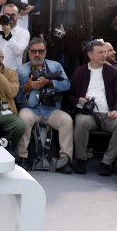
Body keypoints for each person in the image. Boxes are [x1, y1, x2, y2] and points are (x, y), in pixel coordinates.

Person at [67, 39, 117, 175]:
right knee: (81, 121)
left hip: (108, 114)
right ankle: (81, 159)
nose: (104, 55)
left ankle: (107, 162)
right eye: (100, 52)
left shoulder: (113, 72)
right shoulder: (80, 71)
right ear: (90, 54)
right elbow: (70, 95)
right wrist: (79, 100)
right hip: (88, 113)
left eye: (105, 52)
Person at [16, 37, 73, 172]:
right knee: (23, 118)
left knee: (67, 120)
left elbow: (67, 85)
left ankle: (65, 159)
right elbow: (16, 98)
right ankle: (22, 157)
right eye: (34, 51)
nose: (37, 54)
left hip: (51, 109)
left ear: (45, 52)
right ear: (29, 53)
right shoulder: (22, 70)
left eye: (41, 51)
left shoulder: (55, 66)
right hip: (30, 109)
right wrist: (27, 87)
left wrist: (50, 83)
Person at [41, 0, 92, 76]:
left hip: (74, 35)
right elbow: (45, 15)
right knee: (54, 65)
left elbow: (88, 17)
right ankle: (54, 90)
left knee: (73, 67)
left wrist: (87, 37)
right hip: (55, 36)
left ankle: (72, 91)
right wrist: (44, 34)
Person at [0, 2, 29, 71]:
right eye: (7, 15)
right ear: (2, 15)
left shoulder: (24, 32)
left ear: (18, 16)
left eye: (13, 15)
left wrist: (8, 35)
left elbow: (18, 51)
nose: (10, 17)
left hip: (12, 71)